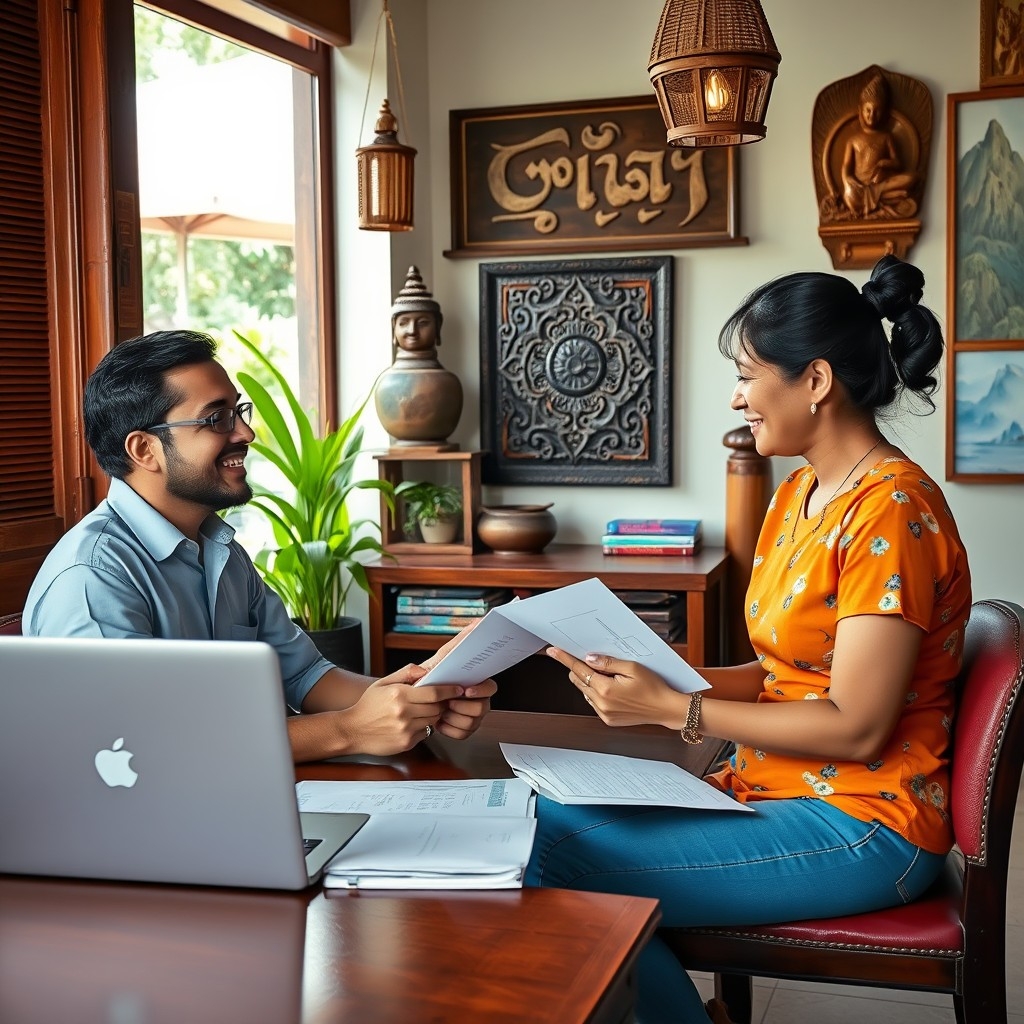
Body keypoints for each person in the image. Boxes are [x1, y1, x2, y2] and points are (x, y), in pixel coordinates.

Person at [528, 255, 971, 1024]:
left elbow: (858, 726)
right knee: (536, 824)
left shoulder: (890, 510)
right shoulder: (799, 492)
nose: (737, 398)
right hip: (775, 787)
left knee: (554, 865)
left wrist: (678, 712)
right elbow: (782, 676)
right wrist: (667, 679)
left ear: (816, 381)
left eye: (748, 374)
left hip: (867, 823)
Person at [23, 330, 495, 763]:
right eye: (216, 418)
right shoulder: (92, 578)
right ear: (144, 450)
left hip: (238, 797)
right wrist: (349, 731)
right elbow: (141, 748)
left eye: (238, 412)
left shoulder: (219, 549)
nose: (245, 434)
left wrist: (417, 696)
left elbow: (305, 677)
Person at [840, 72, 920, 219]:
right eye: (868, 110)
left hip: (879, 185)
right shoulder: (853, 140)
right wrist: (847, 180)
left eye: (877, 111)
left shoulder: (886, 137)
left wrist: (885, 163)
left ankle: (881, 199)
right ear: (861, 110)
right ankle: (887, 201)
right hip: (858, 188)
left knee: (910, 178)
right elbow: (846, 165)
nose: (872, 115)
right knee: (849, 196)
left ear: (883, 113)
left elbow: (897, 163)